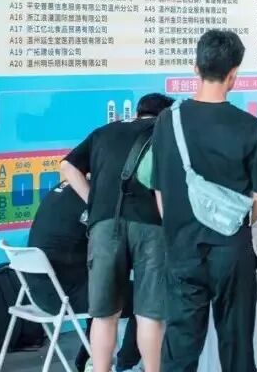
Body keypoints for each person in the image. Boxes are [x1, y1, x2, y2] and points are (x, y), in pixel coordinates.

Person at [151, 30, 257, 372]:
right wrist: (238, 221)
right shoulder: (250, 127)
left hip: (182, 249)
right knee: (237, 347)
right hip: (232, 251)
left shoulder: (167, 121)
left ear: (195, 68)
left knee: (179, 349)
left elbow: (159, 188)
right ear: (234, 74)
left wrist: (177, 230)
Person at [60, 93, 176, 372]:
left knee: (104, 314)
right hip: (151, 227)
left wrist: (94, 201)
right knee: (150, 314)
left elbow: (67, 165)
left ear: (138, 112)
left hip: (105, 226)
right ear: (166, 115)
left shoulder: (104, 132)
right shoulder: (166, 134)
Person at [27, 181, 139, 372]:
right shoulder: (90, 196)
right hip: (62, 296)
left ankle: (88, 359)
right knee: (146, 296)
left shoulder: (65, 188)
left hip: (38, 291)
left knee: (102, 286)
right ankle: (125, 365)